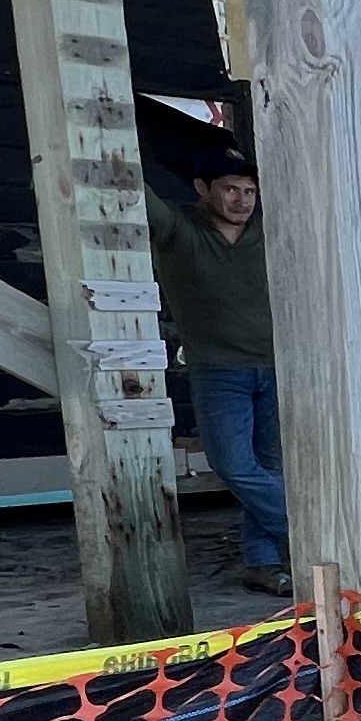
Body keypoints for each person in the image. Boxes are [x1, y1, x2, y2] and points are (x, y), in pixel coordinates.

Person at [142, 113, 288, 595]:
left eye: (249, 191)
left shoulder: (269, 227)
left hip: (279, 366)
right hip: (217, 370)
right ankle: (311, 533)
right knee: (233, 465)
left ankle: (263, 562)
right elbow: (132, 192)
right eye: (229, 189)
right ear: (203, 188)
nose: (242, 200)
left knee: (268, 468)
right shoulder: (177, 227)